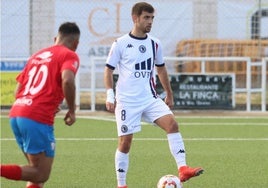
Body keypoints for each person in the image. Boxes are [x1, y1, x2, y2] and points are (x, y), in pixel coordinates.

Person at [104, 2, 204, 188]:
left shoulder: (154, 43)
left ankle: (183, 169)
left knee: (172, 124)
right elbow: (108, 70)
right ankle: (121, 184)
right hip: (127, 102)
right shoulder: (121, 43)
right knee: (125, 143)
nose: (150, 22)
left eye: (152, 18)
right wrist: (110, 95)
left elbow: (161, 69)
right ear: (135, 18)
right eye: (146, 18)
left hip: (149, 98)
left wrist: (169, 94)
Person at [0, 22, 80, 188]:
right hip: (36, 117)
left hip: (17, 113)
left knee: (36, 174)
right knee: (41, 173)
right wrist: (72, 110)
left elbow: (18, 91)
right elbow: (68, 80)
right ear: (76, 43)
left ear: (55, 38)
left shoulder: (37, 55)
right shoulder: (69, 55)